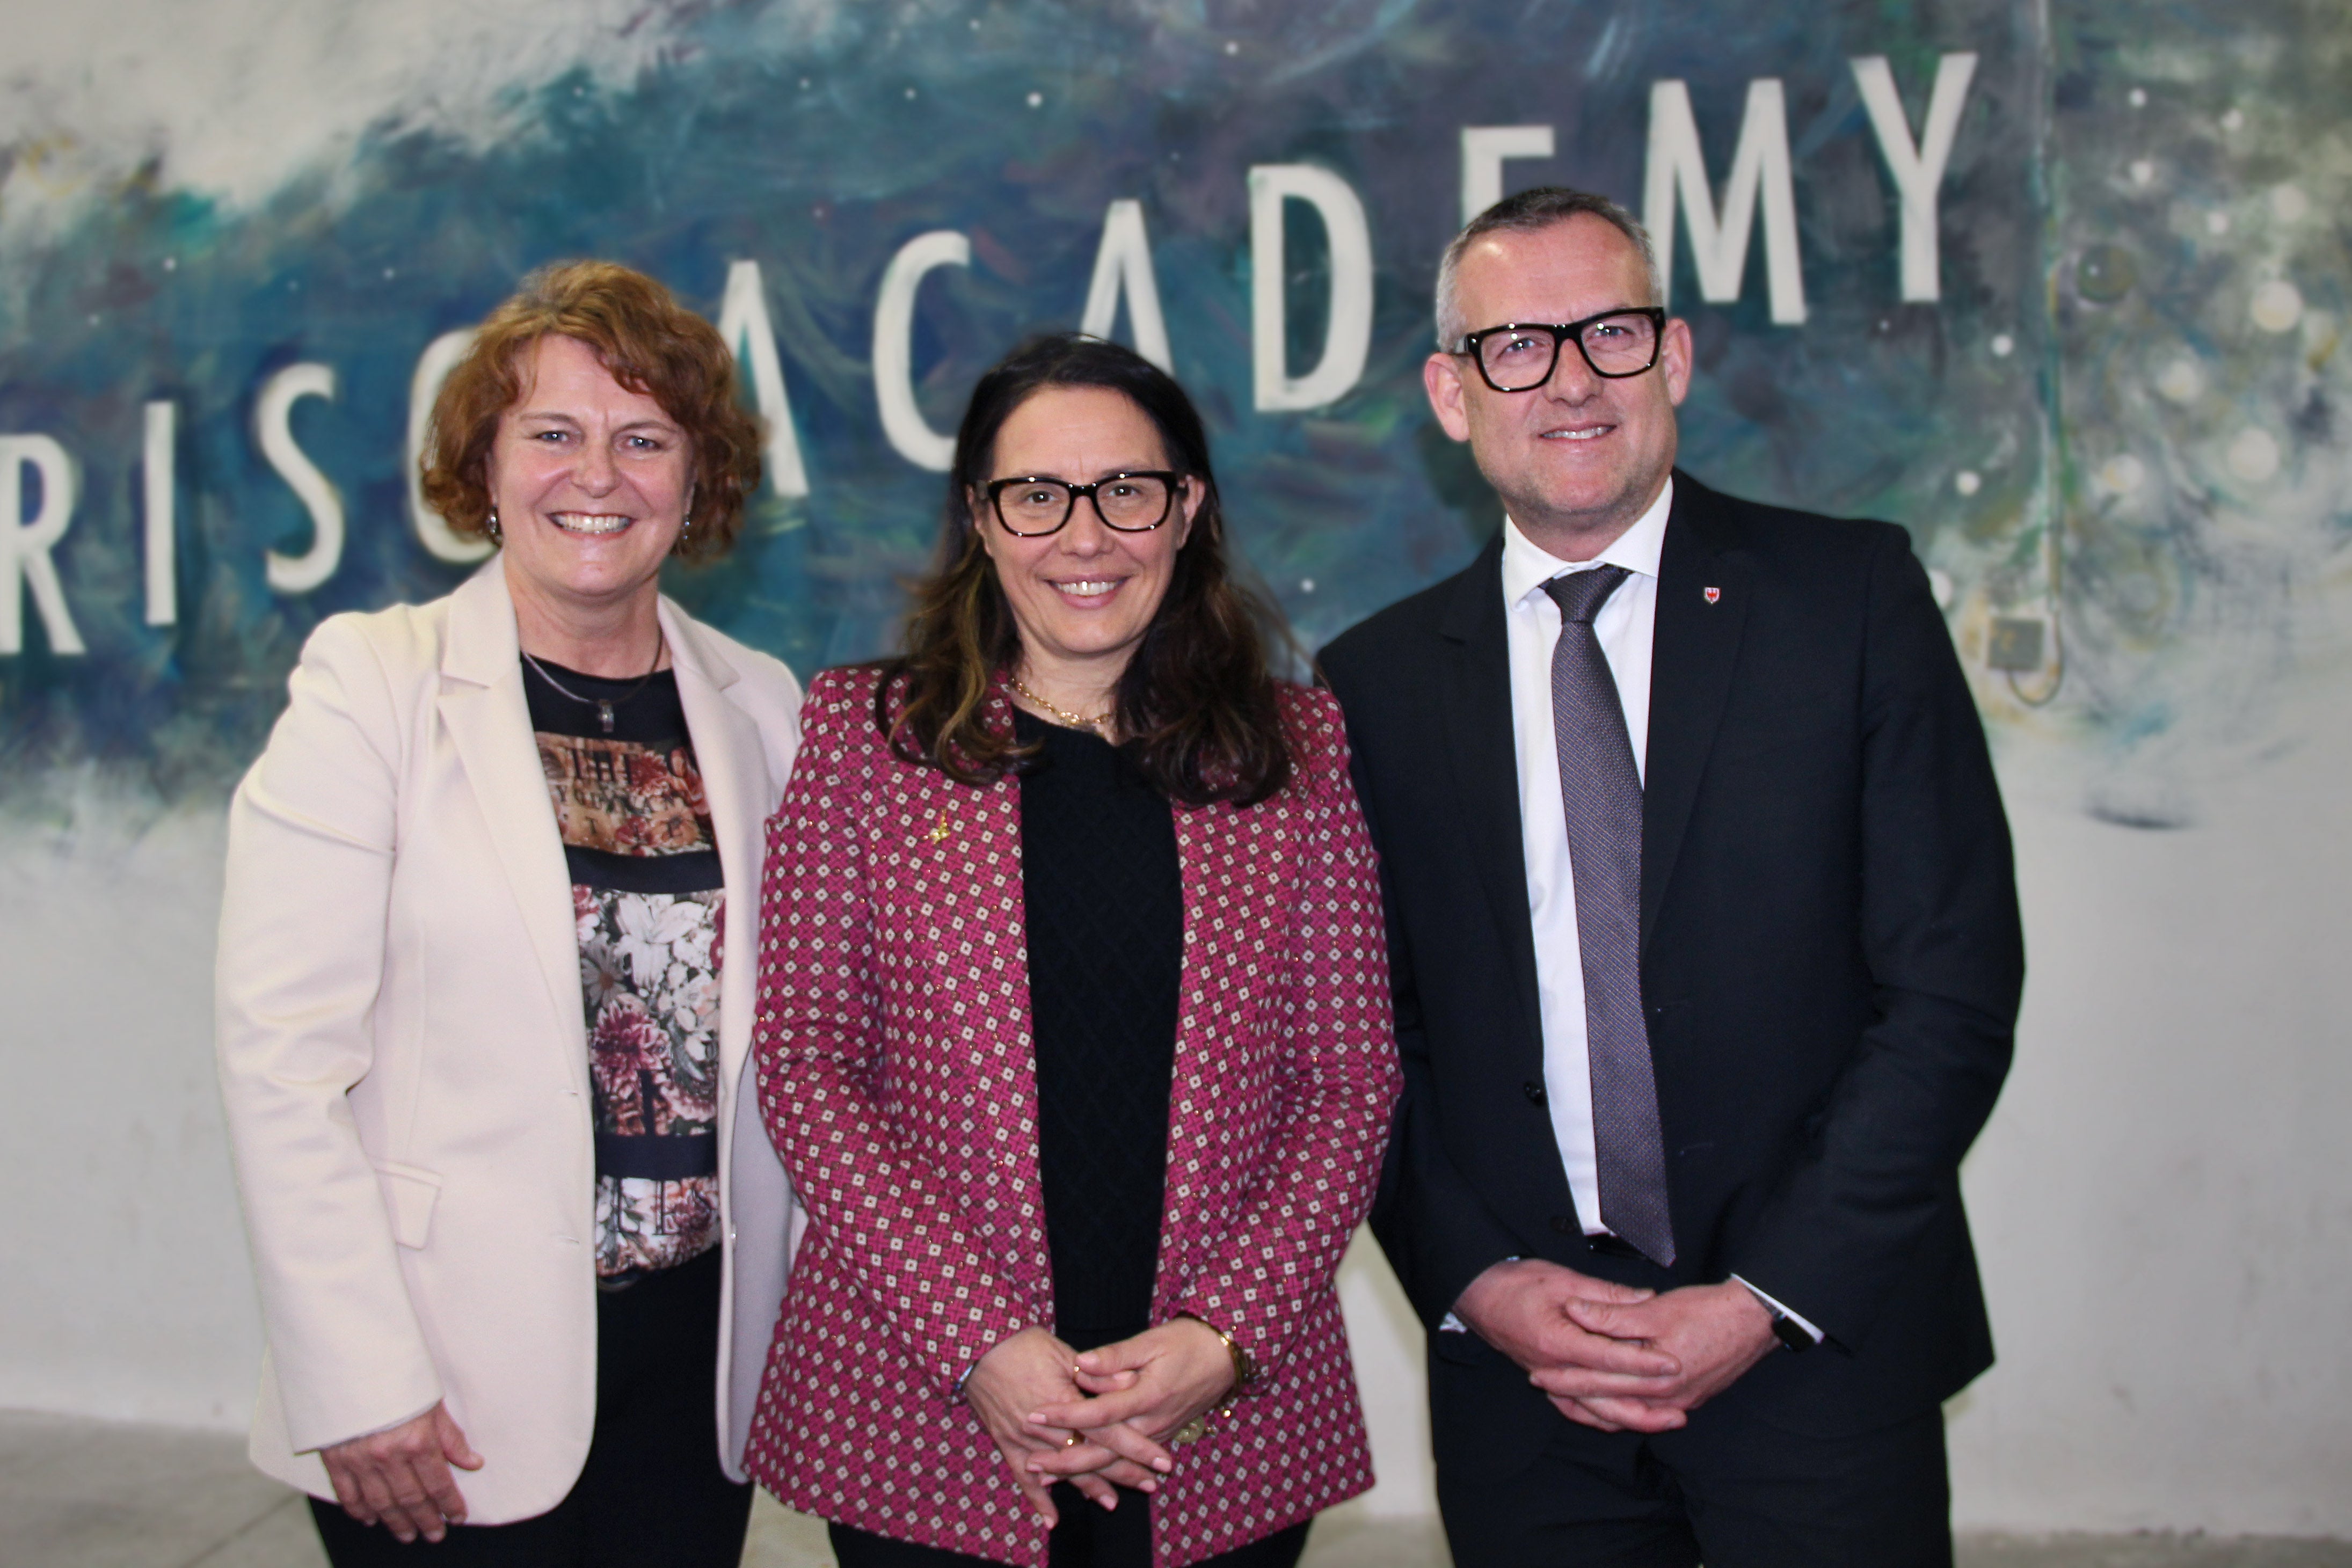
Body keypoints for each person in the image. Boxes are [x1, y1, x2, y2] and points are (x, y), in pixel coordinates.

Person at [1319, 187, 2025, 1564]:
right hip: (1530, 1389)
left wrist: (1764, 1295)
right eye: (1519, 345)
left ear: (1676, 358)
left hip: (1818, 1354)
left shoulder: (1852, 602)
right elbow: (1360, 1043)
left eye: (1612, 334)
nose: (1572, 380)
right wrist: (1478, 1281)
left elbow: (1950, 991)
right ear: (1451, 395)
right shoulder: (1372, 686)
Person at [742, 332, 1399, 1568]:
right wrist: (981, 1344)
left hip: (1220, 1412)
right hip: (929, 1402)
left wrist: (1224, 1338)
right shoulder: (861, 740)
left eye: (1127, 492)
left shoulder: (1295, 752)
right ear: (981, 520)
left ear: (1187, 508)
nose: (1083, 537)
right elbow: (807, 1067)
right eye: (1036, 494)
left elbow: (1347, 1084)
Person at [214, 259, 805, 1565]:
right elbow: (281, 1058)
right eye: (552, 432)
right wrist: (357, 1377)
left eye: (643, 438)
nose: (596, 474)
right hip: (438, 1382)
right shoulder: (373, 683)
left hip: (695, 1367)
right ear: (483, 469)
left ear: (695, 481)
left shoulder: (762, 703)